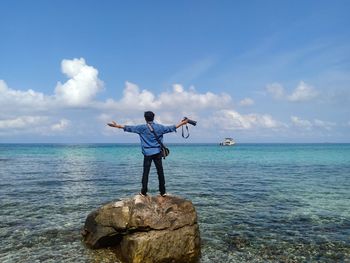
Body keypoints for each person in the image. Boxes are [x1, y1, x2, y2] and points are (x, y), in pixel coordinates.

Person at [107, 111, 189, 197]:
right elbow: (172, 128)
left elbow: (129, 128)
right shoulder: (159, 127)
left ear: (145, 118)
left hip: (147, 153)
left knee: (146, 172)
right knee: (160, 172)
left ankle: (143, 192)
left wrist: (116, 126)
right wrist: (182, 123)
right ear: (153, 117)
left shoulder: (141, 128)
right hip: (158, 152)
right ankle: (163, 192)